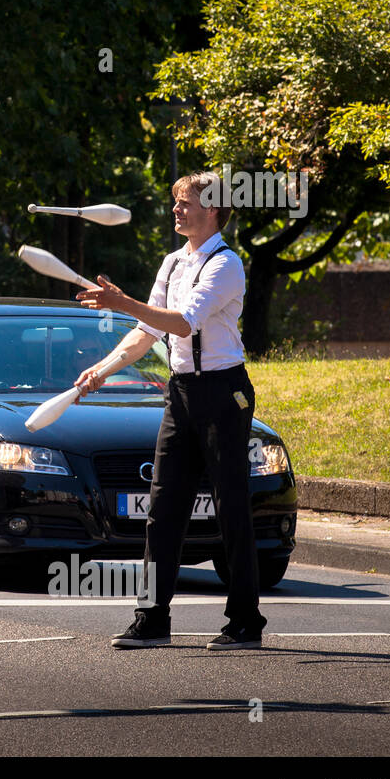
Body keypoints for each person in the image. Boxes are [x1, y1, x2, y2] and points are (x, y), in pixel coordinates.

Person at [72, 171, 263, 651]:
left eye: (186, 202)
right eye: (175, 202)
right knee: (163, 509)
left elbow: (181, 323)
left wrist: (120, 300)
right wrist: (103, 368)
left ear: (214, 210)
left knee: (231, 505)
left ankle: (245, 621)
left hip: (224, 393)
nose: (176, 210)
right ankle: (152, 617)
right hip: (181, 394)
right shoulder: (173, 263)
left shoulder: (227, 264)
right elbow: (146, 332)